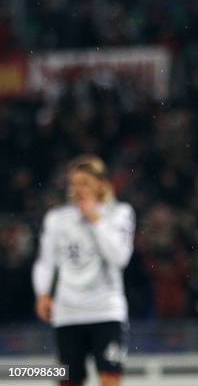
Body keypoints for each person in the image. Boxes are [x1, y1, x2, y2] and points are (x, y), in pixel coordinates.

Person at [32, 155, 135, 386]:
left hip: (106, 311)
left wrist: (96, 220)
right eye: (75, 183)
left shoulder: (119, 213)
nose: (78, 189)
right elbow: (46, 261)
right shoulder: (57, 219)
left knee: (110, 379)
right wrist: (43, 294)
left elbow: (120, 257)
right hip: (68, 312)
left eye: (85, 183)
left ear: (100, 184)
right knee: (68, 380)